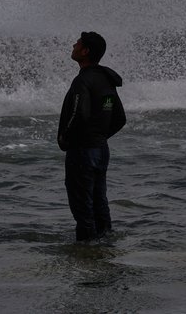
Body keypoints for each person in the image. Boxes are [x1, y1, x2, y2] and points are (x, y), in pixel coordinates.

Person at [57, 30, 126, 242]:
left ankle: (86, 253)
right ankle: (105, 247)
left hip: (82, 151)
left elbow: (80, 113)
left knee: (82, 208)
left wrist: (65, 139)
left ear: (85, 51)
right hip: (100, 150)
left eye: (77, 43)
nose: (73, 46)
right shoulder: (106, 79)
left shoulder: (83, 81)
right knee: (99, 202)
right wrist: (99, 136)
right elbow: (119, 118)